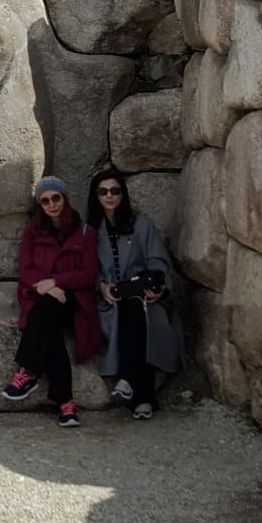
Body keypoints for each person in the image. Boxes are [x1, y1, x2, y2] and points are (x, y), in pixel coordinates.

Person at [3, 177, 100, 428]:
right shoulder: (33, 231)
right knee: (50, 331)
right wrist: (44, 287)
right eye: (45, 201)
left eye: (56, 198)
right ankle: (65, 404)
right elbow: (25, 268)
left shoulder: (85, 233)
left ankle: (28, 370)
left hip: (71, 298)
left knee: (45, 312)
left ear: (64, 198)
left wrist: (56, 282)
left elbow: (88, 274)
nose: (52, 204)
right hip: (39, 295)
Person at [90, 171, 183, 420]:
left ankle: (129, 380)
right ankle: (143, 398)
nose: (109, 196)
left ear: (123, 193)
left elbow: (158, 261)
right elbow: (87, 269)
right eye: (103, 191)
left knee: (137, 312)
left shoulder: (141, 224)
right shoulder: (91, 230)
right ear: (96, 196)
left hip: (144, 297)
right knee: (131, 315)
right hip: (110, 299)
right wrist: (101, 286)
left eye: (115, 190)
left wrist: (160, 288)